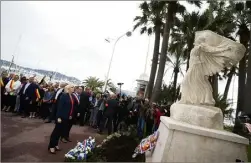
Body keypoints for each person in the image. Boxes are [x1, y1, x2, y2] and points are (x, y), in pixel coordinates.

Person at [48, 84, 75, 154]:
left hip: (66, 117)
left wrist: (70, 115)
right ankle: (51, 146)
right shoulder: (63, 95)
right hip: (61, 117)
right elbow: (59, 107)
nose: (73, 88)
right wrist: (58, 117)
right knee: (56, 132)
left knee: (60, 132)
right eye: (72, 87)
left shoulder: (71, 96)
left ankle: (56, 144)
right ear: (68, 89)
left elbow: (71, 107)